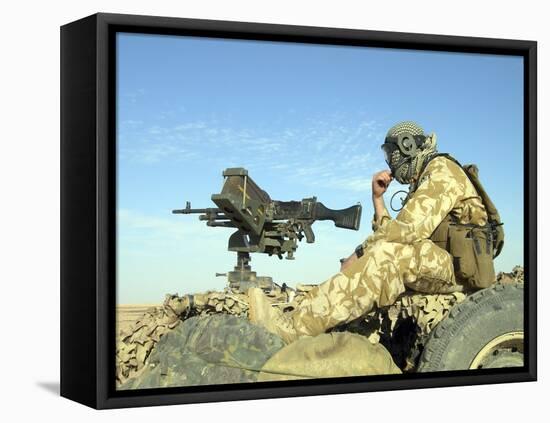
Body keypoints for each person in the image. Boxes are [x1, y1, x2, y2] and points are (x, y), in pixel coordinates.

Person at [248, 121, 498, 344]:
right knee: (384, 251)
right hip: (442, 261)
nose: (389, 162)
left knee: (386, 256)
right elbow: (395, 232)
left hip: (460, 270)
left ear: (407, 146)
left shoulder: (442, 171)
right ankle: (297, 315)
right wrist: (378, 199)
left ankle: (291, 330)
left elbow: (406, 231)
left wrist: (359, 253)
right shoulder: (425, 178)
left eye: (391, 154)